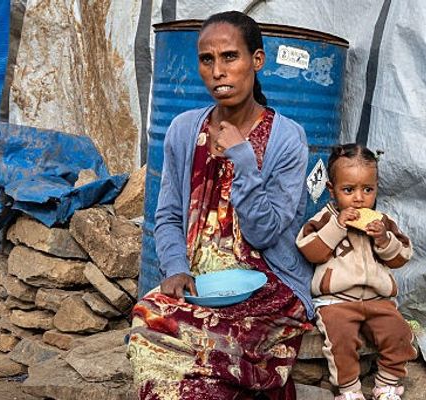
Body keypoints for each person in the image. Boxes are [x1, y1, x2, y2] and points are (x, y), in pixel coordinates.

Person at [127, 10, 316, 400]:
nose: (218, 71)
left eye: (230, 57)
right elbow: (168, 215)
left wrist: (242, 158)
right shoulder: (183, 129)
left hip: (269, 285)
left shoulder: (287, 138)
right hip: (201, 283)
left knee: (202, 349)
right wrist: (176, 268)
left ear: (257, 61)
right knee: (147, 315)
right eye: (207, 59)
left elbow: (266, 231)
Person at [295, 144, 416, 400]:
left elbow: (402, 257)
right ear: (331, 190)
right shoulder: (325, 219)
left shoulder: (381, 221)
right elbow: (310, 250)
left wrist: (384, 240)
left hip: (378, 300)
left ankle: (386, 384)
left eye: (367, 190)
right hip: (336, 301)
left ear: (376, 188)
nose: (359, 198)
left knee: (400, 333)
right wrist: (337, 227)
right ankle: (349, 390)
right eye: (348, 190)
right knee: (340, 340)